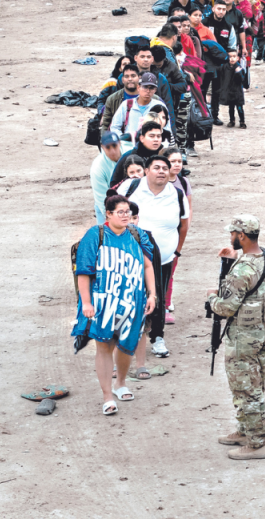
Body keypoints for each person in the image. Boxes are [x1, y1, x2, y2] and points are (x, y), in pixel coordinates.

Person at [208, 215, 265, 459]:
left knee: (247, 389)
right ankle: (244, 430)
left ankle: (255, 444)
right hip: (261, 331)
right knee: (252, 385)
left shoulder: (242, 270)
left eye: (233, 233)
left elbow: (224, 308)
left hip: (242, 338)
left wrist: (211, 298)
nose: (231, 237)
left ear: (241, 235)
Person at [73, 194, 157, 415]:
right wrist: (86, 303)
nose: (126, 215)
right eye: (120, 212)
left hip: (133, 300)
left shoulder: (136, 234)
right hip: (103, 301)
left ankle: (121, 383)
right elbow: (83, 271)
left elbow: (148, 266)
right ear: (108, 214)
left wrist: (152, 294)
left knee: (126, 345)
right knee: (104, 345)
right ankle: (107, 396)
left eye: (128, 211)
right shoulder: (95, 235)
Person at [116, 155, 189, 359]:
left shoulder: (176, 193)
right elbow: (112, 213)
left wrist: (176, 251)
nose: (162, 171)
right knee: (128, 297)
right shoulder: (130, 188)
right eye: (156, 167)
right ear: (146, 170)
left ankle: (157, 337)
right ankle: (125, 339)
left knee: (157, 296)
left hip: (164, 258)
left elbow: (184, 225)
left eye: (165, 168)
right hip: (130, 258)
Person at [162, 147, 191, 324]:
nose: (177, 165)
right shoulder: (158, 183)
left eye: (179, 161)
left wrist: (185, 228)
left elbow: (189, 207)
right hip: (162, 233)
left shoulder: (184, 182)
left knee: (170, 271)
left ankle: (165, 303)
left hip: (176, 233)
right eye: (173, 161)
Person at [109, 72, 168, 151]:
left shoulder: (160, 106)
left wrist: (161, 147)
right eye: (145, 87)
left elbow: (167, 129)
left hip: (153, 149)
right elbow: (115, 126)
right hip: (129, 148)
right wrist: (122, 141)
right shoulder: (127, 105)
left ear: (155, 90)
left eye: (151, 88)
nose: (148, 91)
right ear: (138, 87)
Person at [90, 131, 124, 223]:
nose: (112, 150)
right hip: (107, 202)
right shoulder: (97, 168)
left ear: (119, 143)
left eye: (114, 145)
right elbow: (101, 198)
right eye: (108, 147)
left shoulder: (129, 153)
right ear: (102, 147)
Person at [220, 50, 247, 129]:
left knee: (239, 108)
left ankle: (242, 122)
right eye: (230, 57)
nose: (232, 59)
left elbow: (243, 80)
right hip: (229, 91)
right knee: (231, 108)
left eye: (234, 57)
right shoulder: (225, 67)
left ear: (238, 58)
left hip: (237, 92)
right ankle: (232, 121)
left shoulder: (239, 68)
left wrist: (238, 73)